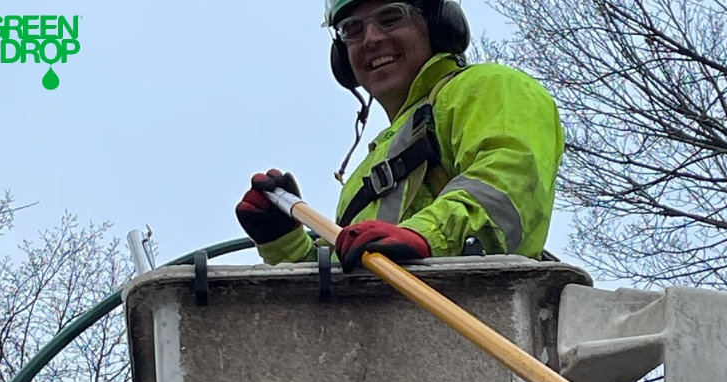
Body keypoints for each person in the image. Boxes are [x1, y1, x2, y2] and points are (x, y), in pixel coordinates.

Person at [235, 0, 564, 273]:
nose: (371, 38)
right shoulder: (368, 167)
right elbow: (344, 282)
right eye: (353, 29)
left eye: (390, 17)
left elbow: (508, 186)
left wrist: (423, 237)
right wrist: (286, 242)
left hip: (471, 322)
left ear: (436, 24)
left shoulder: (489, 87)